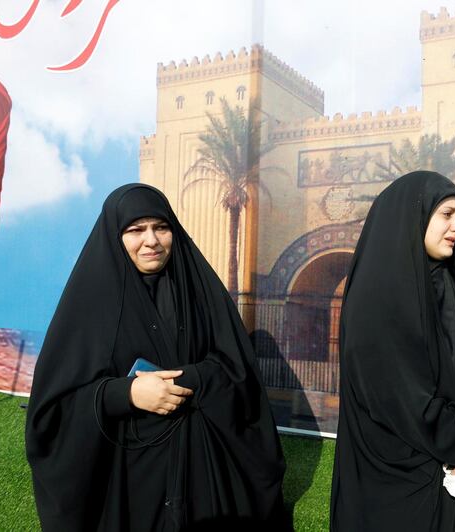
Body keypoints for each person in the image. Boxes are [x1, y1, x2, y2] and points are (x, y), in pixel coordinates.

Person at [25, 183, 289, 531]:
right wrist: (125, 394)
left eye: (161, 227)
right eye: (135, 230)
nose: (151, 240)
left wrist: (187, 379)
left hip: (200, 467)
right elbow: (54, 410)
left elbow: (237, 370)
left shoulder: (200, 293)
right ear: (115, 237)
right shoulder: (88, 306)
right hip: (125, 474)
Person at [330, 171, 455, 531]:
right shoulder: (377, 300)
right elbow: (403, 402)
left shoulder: (449, 285)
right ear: (414, 215)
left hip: (450, 472)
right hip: (395, 486)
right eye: (447, 214)